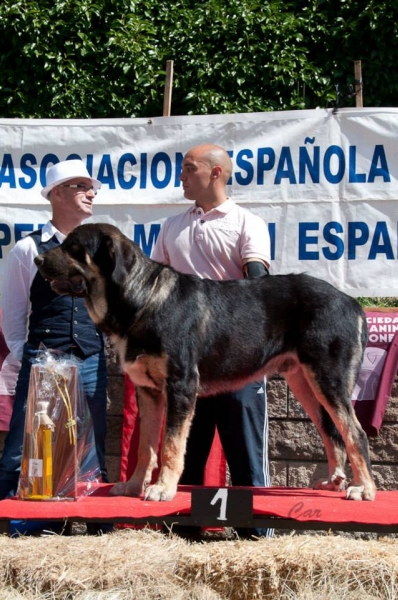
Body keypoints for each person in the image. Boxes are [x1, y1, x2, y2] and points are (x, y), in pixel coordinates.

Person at [151, 143, 272, 539]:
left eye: (189, 168)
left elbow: (259, 292)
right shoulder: (170, 227)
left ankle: (256, 538)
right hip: (184, 364)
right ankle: (181, 534)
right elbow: (155, 293)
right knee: (187, 450)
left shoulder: (246, 223)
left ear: (216, 173)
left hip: (238, 359)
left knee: (246, 455)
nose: (181, 176)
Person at [0, 159, 111, 535]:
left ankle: (96, 526)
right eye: (80, 186)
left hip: (90, 356)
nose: (90, 193)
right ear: (57, 193)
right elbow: (13, 312)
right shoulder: (28, 249)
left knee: (90, 441)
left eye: (91, 188)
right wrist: (34, 355)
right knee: (22, 444)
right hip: (44, 358)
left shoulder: (100, 249)